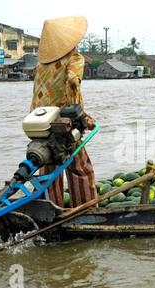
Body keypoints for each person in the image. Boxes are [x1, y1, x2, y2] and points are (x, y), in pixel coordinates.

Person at [30, 16, 98, 208]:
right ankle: (85, 210)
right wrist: (81, 116)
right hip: (63, 122)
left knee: (48, 166)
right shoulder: (74, 58)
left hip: (40, 122)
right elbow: (73, 83)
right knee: (80, 168)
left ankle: (52, 208)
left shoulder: (41, 65)